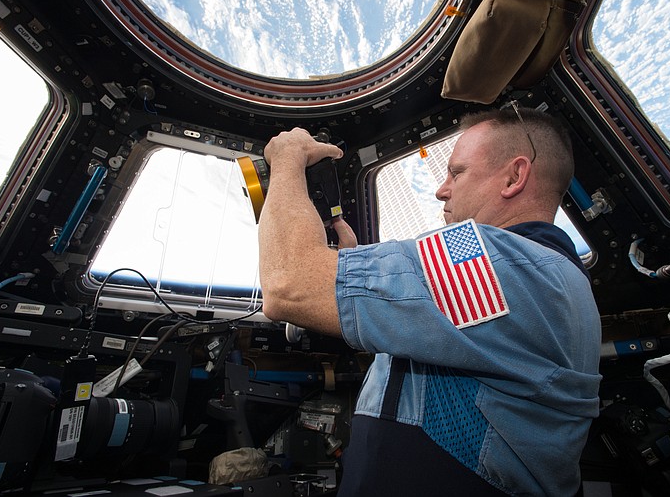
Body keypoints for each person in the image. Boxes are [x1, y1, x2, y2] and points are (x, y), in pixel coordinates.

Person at [258, 106, 602, 496]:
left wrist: (286, 159)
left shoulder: (496, 259)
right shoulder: (549, 278)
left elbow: (288, 282)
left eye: (457, 172)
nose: (442, 189)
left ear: (514, 176)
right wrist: (342, 268)